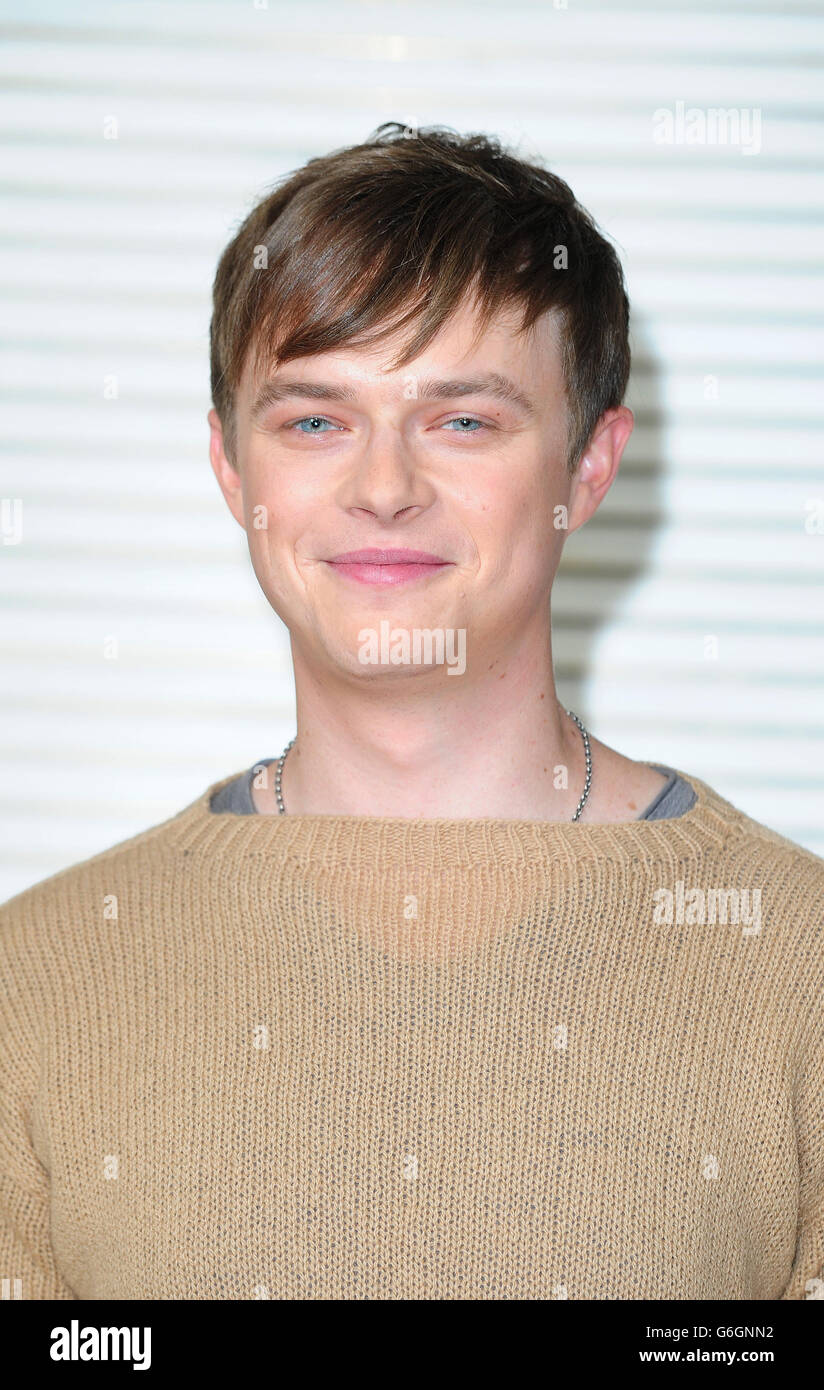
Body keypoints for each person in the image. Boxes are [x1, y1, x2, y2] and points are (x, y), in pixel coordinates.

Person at [1, 123, 822, 1301]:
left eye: (462, 419)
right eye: (315, 420)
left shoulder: (796, 963)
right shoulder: (33, 980)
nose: (383, 487)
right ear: (235, 473)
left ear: (587, 470)